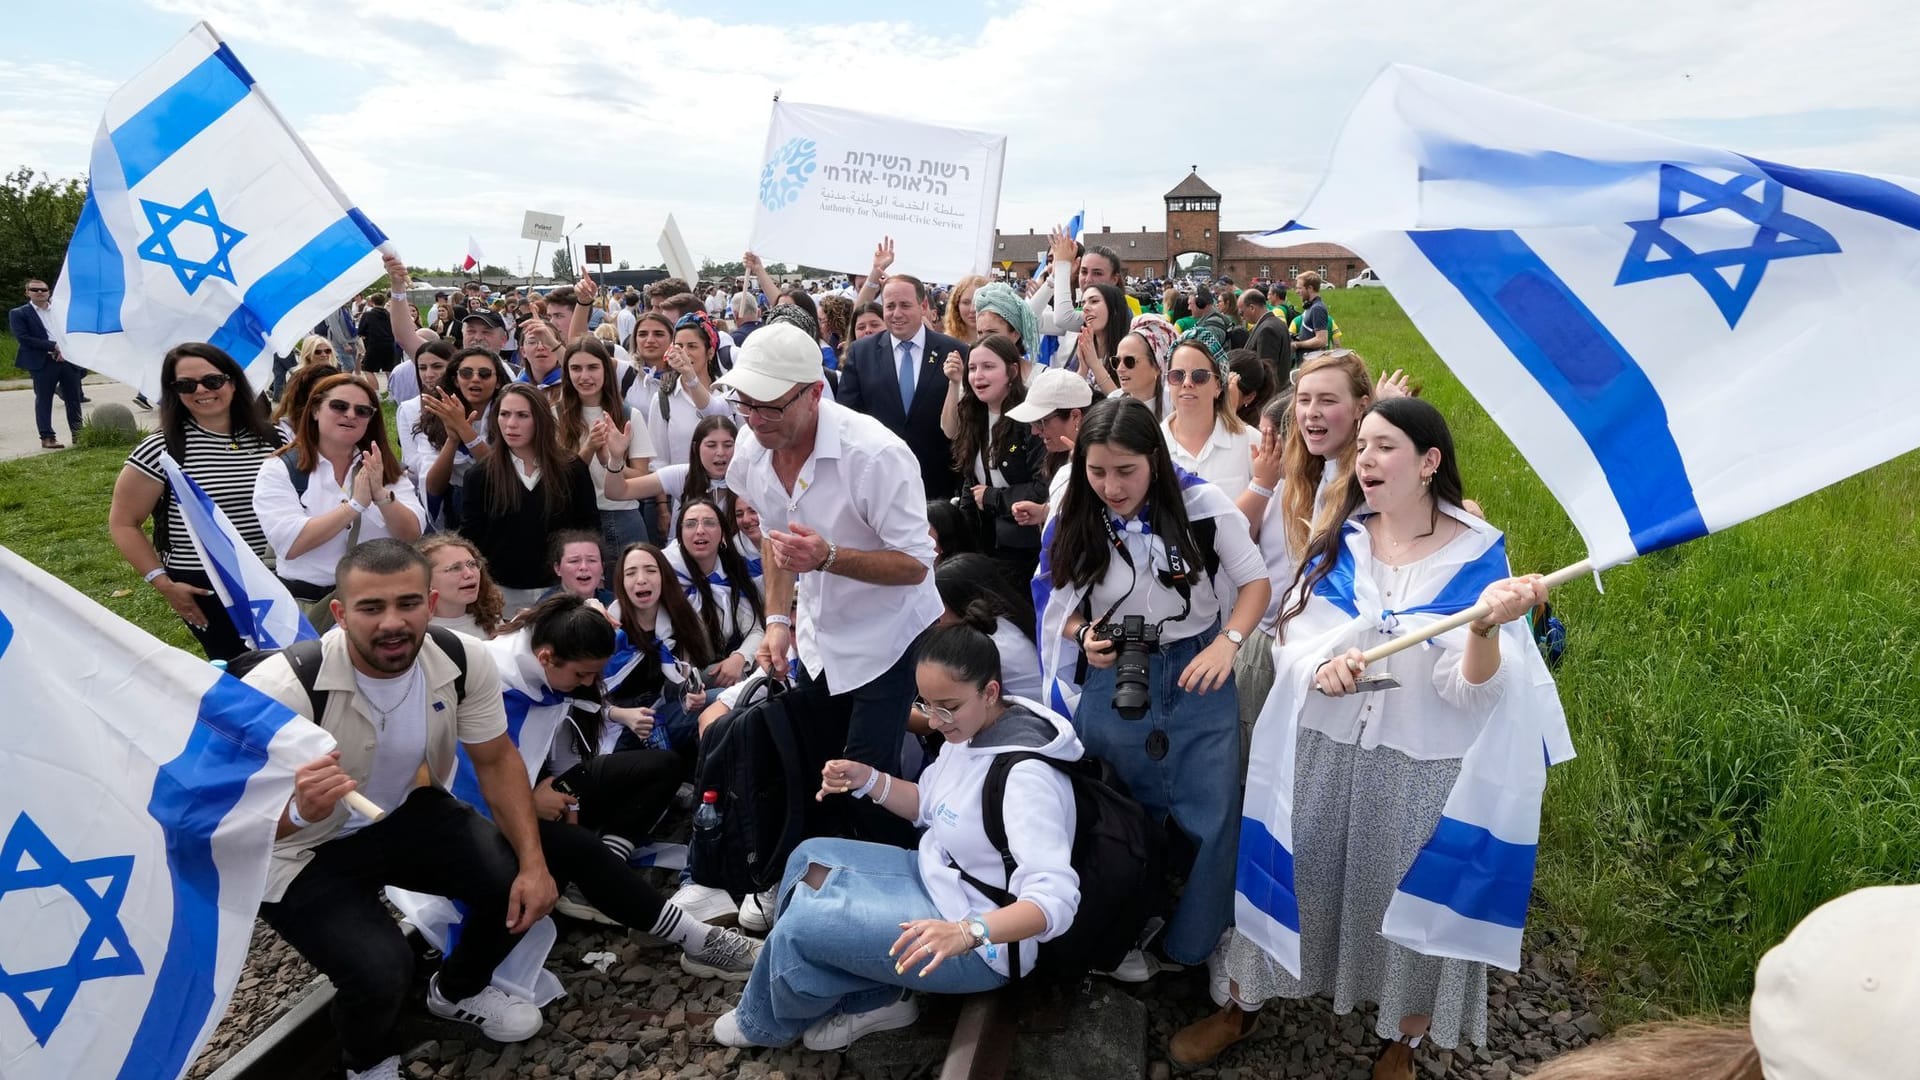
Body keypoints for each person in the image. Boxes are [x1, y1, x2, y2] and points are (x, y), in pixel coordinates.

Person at [1174, 396, 1568, 1076]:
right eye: (1363, 449)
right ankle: (1243, 1003)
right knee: (1295, 869)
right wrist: (1322, 665)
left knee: (1405, 895)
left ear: (1428, 462)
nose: (1366, 460)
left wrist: (1481, 627)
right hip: (1324, 748)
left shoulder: (1479, 558)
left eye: (1384, 446)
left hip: (1419, 765)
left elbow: (1468, 691)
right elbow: (1294, 635)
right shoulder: (1345, 538)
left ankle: (1402, 1038)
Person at [244, 540, 556, 1080]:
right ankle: (367, 1062)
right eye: (371, 608)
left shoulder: (461, 658)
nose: (393, 622)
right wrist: (293, 812)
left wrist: (534, 863)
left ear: (430, 604)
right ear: (340, 614)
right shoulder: (281, 688)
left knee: (513, 882)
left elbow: (497, 759)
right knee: (382, 968)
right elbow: (208, 816)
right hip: (297, 848)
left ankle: (456, 990)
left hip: (395, 812)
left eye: (408, 603)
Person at [711, 624, 1084, 1051]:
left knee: (803, 925)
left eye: (948, 707)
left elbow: (1054, 900)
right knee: (809, 857)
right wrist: (866, 778)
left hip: (984, 946)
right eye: (927, 704)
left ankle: (762, 1022)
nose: (934, 720)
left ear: (991, 691)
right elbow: (928, 804)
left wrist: (966, 932)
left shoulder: (1026, 777)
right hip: (940, 880)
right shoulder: (973, 730)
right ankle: (874, 995)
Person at [1037, 396, 1269, 973]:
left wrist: (1228, 643)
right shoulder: (1075, 508)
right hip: (1116, 664)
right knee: (1116, 807)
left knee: (1213, 813)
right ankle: (1121, 929)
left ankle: (1197, 940)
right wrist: (1082, 633)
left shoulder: (1203, 505)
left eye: (1126, 471)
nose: (1111, 488)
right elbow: (1050, 594)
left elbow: (1255, 584)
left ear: (1156, 462)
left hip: (1198, 667)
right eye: (1097, 471)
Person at [716, 321, 945, 855]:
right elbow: (779, 548)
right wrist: (776, 621)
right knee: (817, 754)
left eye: (770, 407)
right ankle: (823, 861)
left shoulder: (875, 455)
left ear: (815, 392)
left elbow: (916, 564)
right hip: (821, 634)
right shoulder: (752, 450)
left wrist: (830, 557)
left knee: (865, 772)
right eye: (745, 404)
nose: (754, 420)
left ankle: (896, 877)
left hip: (889, 635)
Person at [477, 592, 761, 979]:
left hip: (544, 787)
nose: (588, 684)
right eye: (582, 675)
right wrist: (526, 800)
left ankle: (608, 865)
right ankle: (698, 940)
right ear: (546, 658)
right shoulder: (490, 677)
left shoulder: (550, 662)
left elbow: (561, 740)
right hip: (493, 809)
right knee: (580, 848)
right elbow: (470, 772)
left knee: (660, 766)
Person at [109, 343, 282, 659]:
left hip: (277, 575)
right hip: (207, 585)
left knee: (292, 667)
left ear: (232, 381)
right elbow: (123, 523)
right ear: (174, 392)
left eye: (212, 381)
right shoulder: (160, 450)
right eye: (186, 385)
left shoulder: (276, 439)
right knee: (241, 671)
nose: (201, 390)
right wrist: (163, 583)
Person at [254, 374, 424, 613]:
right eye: (339, 406)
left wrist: (382, 497)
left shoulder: (381, 466)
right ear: (315, 410)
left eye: (362, 410)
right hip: (313, 605)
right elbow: (290, 544)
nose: (351, 415)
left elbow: (412, 534)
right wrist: (354, 506)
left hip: (383, 599)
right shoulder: (280, 468)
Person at [460, 384, 599, 614]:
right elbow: (472, 538)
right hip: (503, 593)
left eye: (522, 415)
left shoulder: (572, 469)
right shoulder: (480, 475)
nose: (511, 424)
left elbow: (589, 527)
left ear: (541, 420)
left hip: (561, 590)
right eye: (504, 414)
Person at [838, 275, 969, 501]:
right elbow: (847, 418)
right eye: (890, 306)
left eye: (905, 305)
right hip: (879, 482)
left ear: (923, 306)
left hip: (939, 484)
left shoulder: (955, 351)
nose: (896, 313)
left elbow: (967, 419)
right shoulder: (862, 353)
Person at [939, 334, 1046, 590]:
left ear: (1012, 371)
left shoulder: (1031, 418)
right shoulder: (973, 414)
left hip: (1026, 549)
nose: (978, 376)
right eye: (973, 368)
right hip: (984, 545)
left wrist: (992, 497)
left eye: (988, 367)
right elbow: (971, 482)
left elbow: (1043, 488)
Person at [557, 336, 655, 569]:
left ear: (606, 370)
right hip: (573, 519)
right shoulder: (554, 415)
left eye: (592, 367)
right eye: (576, 368)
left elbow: (642, 478)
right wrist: (589, 449)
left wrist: (613, 461)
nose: (584, 376)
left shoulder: (629, 415)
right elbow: (557, 478)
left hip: (622, 515)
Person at [663, 495, 765, 691]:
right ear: (680, 535)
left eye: (709, 523)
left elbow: (756, 630)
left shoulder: (731, 576)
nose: (700, 531)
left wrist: (739, 657)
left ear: (723, 536)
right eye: (690, 524)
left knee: (762, 677)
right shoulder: (662, 575)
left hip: (714, 672)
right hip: (672, 681)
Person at [414, 347, 507, 528]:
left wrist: (464, 429)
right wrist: (453, 439)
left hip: (502, 498)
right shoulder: (437, 417)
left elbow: (500, 472)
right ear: (456, 381)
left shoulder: (511, 415)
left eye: (485, 373)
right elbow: (433, 488)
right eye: (466, 373)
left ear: (498, 382)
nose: (475, 378)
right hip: (458, 502)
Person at [933, 553, 1042, 701]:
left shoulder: (981, 647)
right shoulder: (1008, 620)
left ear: (958, 602)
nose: (933, 613)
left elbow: (953, 711)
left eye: (939, 603)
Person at [1162, 328, 1255, 498]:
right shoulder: (1152, 444)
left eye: (1199, 376)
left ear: (1218, 386)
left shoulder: (1250, 441)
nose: (1187, 383)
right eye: (1177, 376)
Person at [1005, 367, 1094, 529]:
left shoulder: (1102, 461)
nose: (1034, 431)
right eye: (1032, 423)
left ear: (1075, 416)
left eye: (1042, 421)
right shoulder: (1058, 456)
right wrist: (1046, 512)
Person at [10, 278, 84, 450]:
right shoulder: (19, 313)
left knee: (73, 398)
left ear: (49, 292)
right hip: (43, 361)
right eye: (35, 290)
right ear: (27, 292)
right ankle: (47, 436)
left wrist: (65, 350)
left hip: (66, 359)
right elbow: (24, 339)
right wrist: (53, 347)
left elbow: (71, 331)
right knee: (44, 399)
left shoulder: (59, 311)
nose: (40, 292)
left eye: (43, 289)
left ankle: (78, 433)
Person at [393, 342, 454, 491]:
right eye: (422, 368)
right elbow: (412, 462)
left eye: (437, 366)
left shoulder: (466, 403)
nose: (428, 374)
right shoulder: (409, 409)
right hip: (428, 486)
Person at [419, 533, 504, 639]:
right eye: (455, 568)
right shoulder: (418, 630)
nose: (469, 574)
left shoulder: (490, 617)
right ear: (425, 578)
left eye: (472, 564)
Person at [1110, 313, 1176, 420]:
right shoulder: (1112, 401)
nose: (1120, 369)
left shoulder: (1174, 407)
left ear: (1157, 367)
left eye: (1129, 361)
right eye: (1116, 361)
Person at [1070, 284, 1131, 394]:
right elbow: (1070, 400)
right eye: (1083, 303)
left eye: (1094, 301)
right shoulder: (1083, 347)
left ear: (1114, 308)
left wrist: (1094, 364)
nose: (1085, 308)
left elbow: (1124, 404)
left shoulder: (1130, 353)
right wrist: (1082, 370)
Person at [545, 530, 613, 604]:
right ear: (557, 568)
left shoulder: (616, 604)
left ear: (602, 567)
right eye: (574, 561)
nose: (584, 567)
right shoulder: (546, 609)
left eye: (592, 560)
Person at [1240, 288, 1293, 377]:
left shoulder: (1267, 329)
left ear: (1252, 308)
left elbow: (1266, 371)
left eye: (1242, 313)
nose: (1242, 318)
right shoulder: (1276, 322)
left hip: (1272, 389)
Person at [358, 292, 397, 391]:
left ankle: (376, 392)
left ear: (372, 302)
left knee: (368, 369)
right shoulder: (389, 314)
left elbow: (361, 330)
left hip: (374, 344)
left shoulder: (368, 314)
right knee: (389, 369)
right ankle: (392, 392)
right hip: (389, 343)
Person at [1292, 271, 1332, 355]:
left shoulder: (1317, 308)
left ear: (1310, 288)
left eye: (1299, 288)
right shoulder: (1310, 307)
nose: (1297, 291)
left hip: (1312, 362)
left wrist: (1297, 345)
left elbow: (1321, 340)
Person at [943, 274, 987, 344]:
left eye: (978, 302)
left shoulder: (1000, 342)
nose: (972, 309)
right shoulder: (946, 342)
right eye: (966, 303)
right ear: (956, 305)